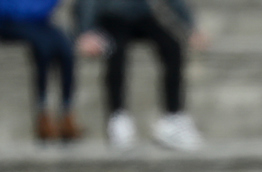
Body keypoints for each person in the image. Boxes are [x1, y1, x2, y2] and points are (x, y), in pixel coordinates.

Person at [74, 0, 207, 150]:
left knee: (172, 47)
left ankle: (173, 117)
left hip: (141, 15)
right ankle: (118, 118)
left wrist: (191, 27)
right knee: (116, 51)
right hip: (110, 17)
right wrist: (86, 31)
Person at [0, 0, 82, 141]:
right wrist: (29, 12)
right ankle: (43, 113)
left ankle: (67, 110)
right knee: (43, 49)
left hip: (39, 23)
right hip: (10, 23)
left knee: (66, 49)